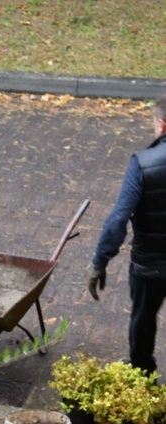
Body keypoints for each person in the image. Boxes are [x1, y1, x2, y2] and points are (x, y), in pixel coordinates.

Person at [88, 97, 166, 376]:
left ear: (161, 125)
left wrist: (100, 262)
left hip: (148, 266)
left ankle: (142, 375)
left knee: (143, 320)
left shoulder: (142, 164)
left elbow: (118, 220)